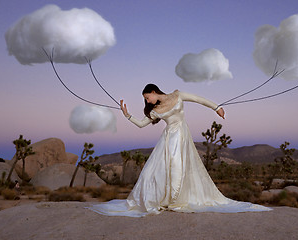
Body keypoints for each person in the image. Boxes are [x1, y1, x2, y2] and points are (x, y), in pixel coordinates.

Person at [88, 84, 271, 217]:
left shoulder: (178, 95)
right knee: (166, 168)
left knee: (180, 167)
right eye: (145, 100)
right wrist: (126, 115)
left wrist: (217, 108)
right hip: (169, 139)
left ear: (153, 91)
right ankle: (169, 200)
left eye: (147, 97)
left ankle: (175, 199)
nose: (147, 101)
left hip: (182, 136)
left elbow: (199, 99)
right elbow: (141, 124)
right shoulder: (155, 111)